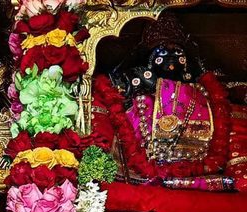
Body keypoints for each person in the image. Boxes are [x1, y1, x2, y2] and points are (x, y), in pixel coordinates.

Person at [95, 15, 247, 192]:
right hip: (142, 168)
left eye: (177, 54)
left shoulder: (204, 93)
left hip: (202, 166)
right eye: (162, 54)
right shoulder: (138, 92)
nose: (171, 60)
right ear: (149, 64)